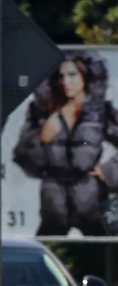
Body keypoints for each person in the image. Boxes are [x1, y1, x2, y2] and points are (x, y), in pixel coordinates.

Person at [13, 52, 118, 236]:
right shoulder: (42, 112)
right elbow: (22, 155)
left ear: (85, 77)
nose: (65, 82)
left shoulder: (101, 112)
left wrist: (108, 172)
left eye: (72, 75)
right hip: (53, 203)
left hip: (90, 201)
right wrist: (41, 138)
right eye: (60, 76)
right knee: (44, 247)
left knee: (103, 247)